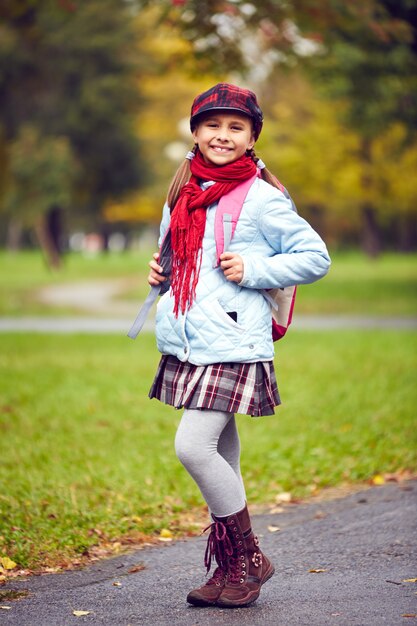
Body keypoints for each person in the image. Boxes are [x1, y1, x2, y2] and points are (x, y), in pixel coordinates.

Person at [147, 83, 331, 608]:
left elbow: (315, 257)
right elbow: (180, 256)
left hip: (232, 338)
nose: (222, 135)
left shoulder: (263, 198)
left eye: (235, 127)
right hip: (191, 338)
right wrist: (160, 269)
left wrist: (256, 269)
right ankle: (233, 567)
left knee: (193, 446)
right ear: (196, 131)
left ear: (252, 137)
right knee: (221, 451)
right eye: (213, 125)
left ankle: (249, 557)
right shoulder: (183, 189)